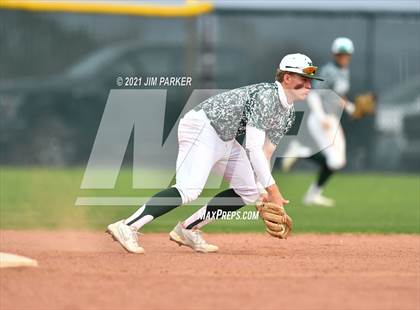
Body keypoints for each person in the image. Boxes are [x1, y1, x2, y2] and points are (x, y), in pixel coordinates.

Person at [107, 53, 323, 254]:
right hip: (202, 128)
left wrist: (261, 188)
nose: (308, 85)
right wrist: (274, 191)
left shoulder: (288, 113)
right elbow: (253, 148)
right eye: (303, 79)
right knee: (188, 189)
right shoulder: (267, 97)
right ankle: (127, 226)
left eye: (310, 80)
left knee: (248, 192)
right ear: (287, 78)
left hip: (225, 138)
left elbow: (265, 152)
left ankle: (188, 229)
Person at [282, 37, 356, 207]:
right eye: (340, 54)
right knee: (335, 162)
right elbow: (314, 94)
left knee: (338, 162)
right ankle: (300, 151)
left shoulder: (345, 71)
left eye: (346, 54)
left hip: (332, 119)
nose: (343, 57)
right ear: (334, 54)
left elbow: (338, 97)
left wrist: (351, 108)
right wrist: (322, 117)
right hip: (322, 119)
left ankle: (313, 194)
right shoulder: (329, 70)